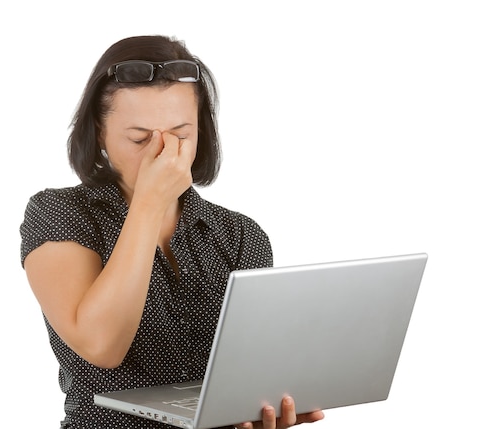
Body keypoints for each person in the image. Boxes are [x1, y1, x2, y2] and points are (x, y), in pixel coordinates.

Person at [20, 35, 325, 429]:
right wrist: (149, 203)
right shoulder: (60, 214)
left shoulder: (241, 235)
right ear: (100, 133)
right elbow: (101, 345)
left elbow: (248, 372)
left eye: (180, 135)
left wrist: (261, 407)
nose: (162, 154)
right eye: (139, 138)